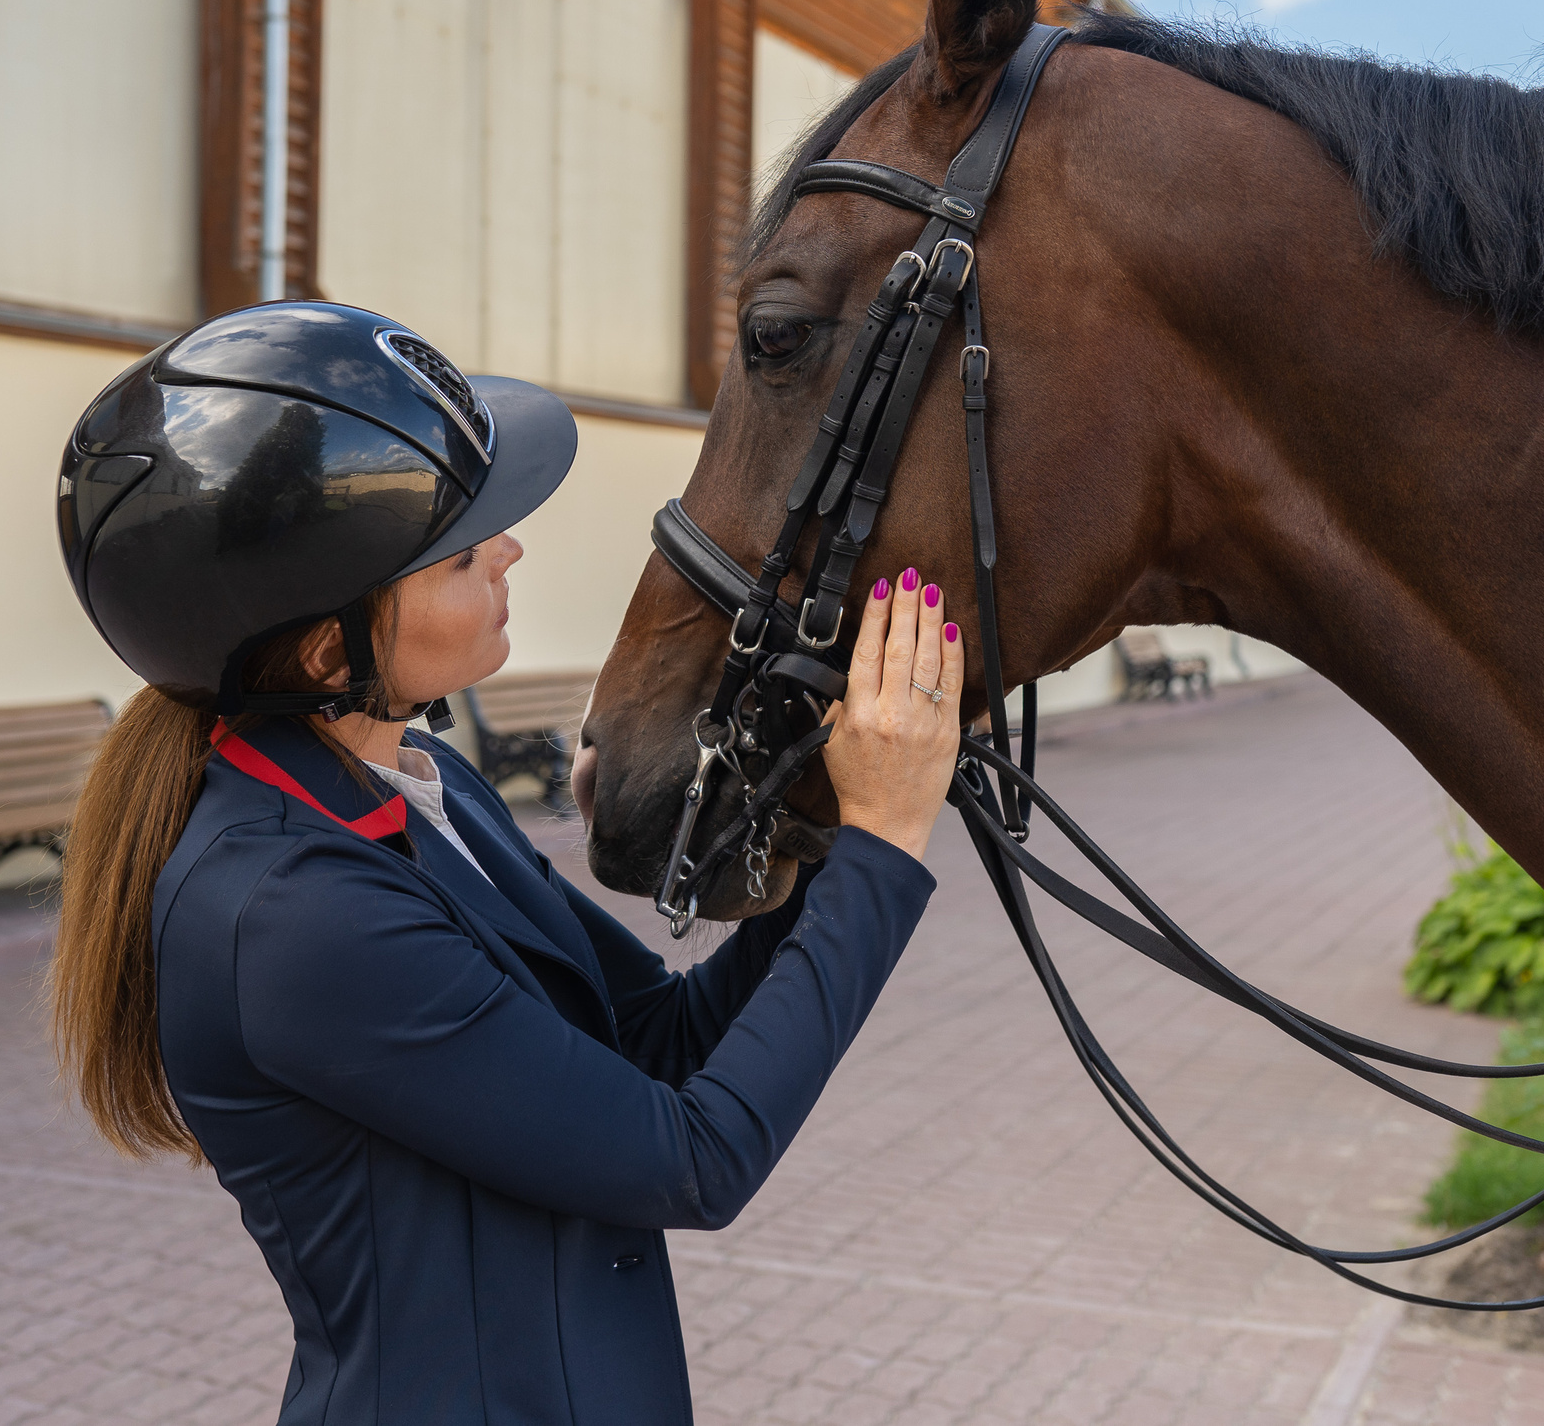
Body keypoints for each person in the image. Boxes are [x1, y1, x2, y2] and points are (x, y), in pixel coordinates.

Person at [47, 300, 965, 1425]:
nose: (507, 548)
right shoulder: (293, 915)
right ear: (327, 646)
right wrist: (883, 843)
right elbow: (691, 1157)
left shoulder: (427, 793)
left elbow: (656, 1044)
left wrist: (824, 829)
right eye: (455, 549)